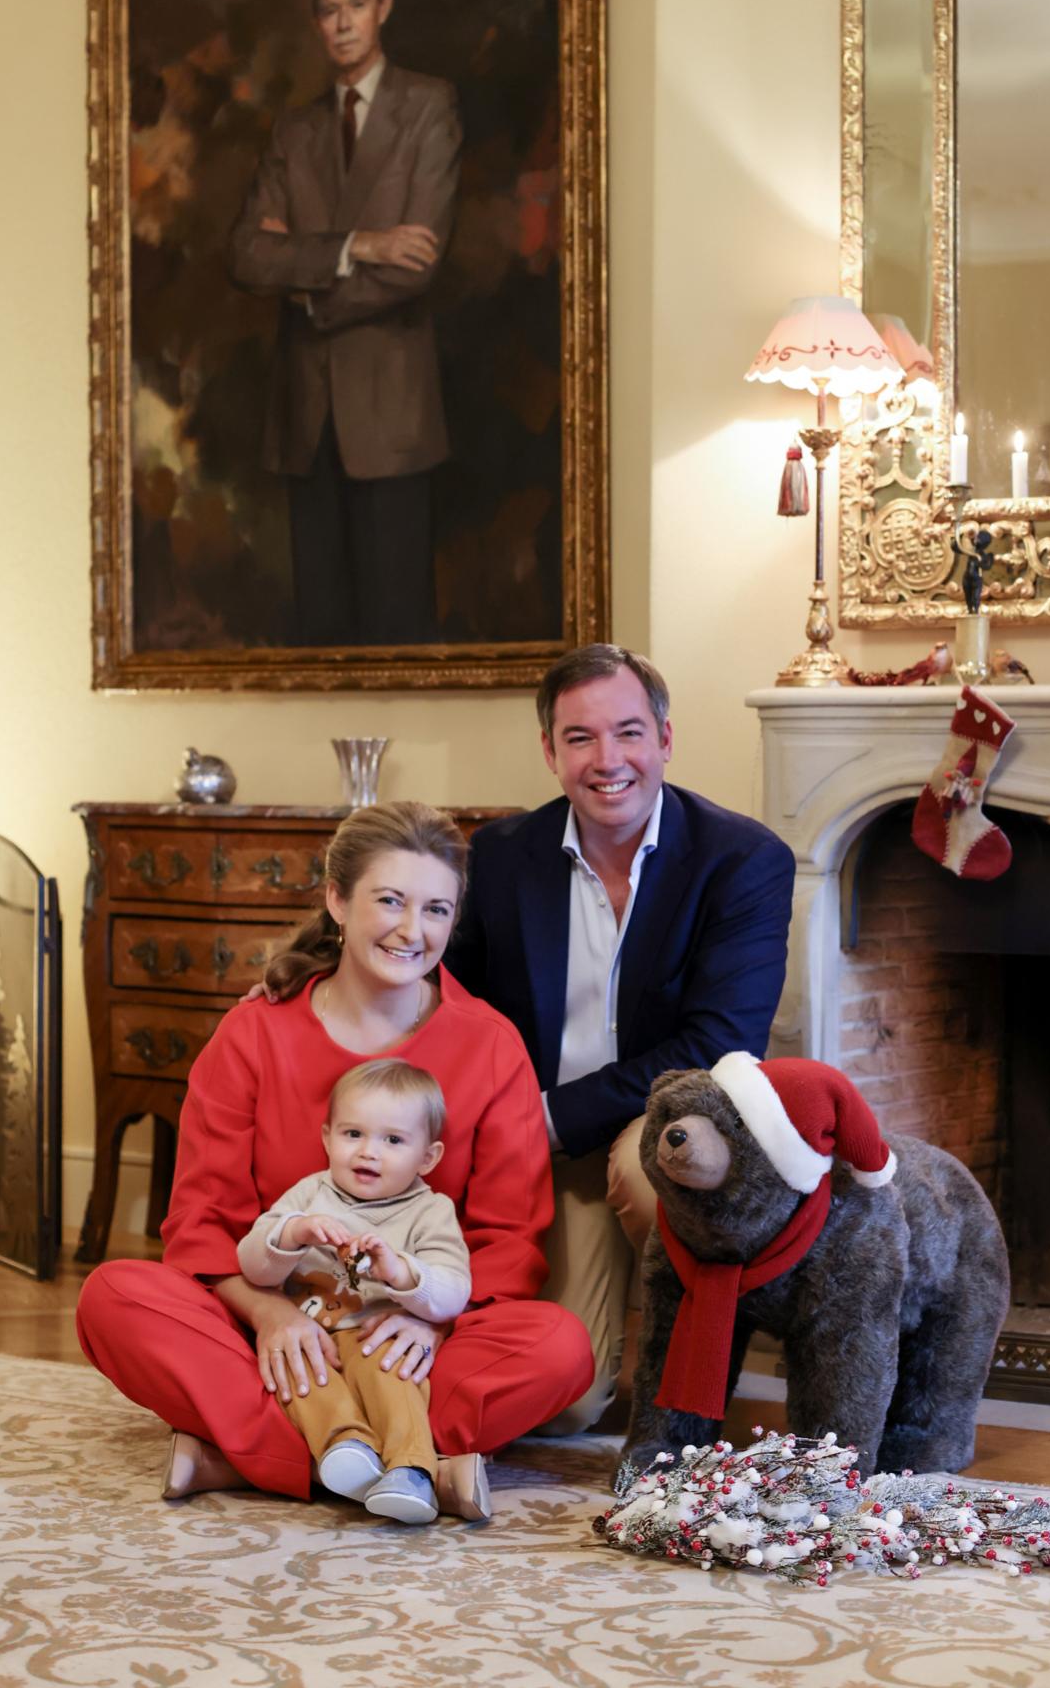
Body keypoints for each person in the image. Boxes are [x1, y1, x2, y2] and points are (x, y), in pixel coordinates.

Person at [76, 803, 592, 1521]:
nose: (413, 930)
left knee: (561, 1346)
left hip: (407, 1334)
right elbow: (201, 1223)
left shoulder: (491, 1044)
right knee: (114, 1299)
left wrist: (430, 1323)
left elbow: (508, 1240)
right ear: (336, 900)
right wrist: (269, 1316)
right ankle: (410, 1460)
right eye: (389, 900)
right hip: (275, 1317)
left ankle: (246, 1456)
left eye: (437, 908)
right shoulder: (253, 1033)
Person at [443, 644, 796, 1432]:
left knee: (656, 1165)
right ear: (550, 750)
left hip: (659, 1127)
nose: (608, 760)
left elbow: (718, 1041)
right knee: (565, 1408)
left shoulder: (741, 860)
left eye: (629, 732)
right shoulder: (502, 855)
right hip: (543, 1143)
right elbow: (443, 990)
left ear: (666, 739)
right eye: (580, 738)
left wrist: (543, 1116)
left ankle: (692, 1388)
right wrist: (310, 972)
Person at [227, 0, 462, 647]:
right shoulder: (293, 132)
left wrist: (304, 287)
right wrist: (358, 243)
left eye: (356, 5)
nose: (343, 24)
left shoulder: (428, 106)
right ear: (315, 23)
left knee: (397, 628)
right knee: (321, 636)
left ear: (383, 6)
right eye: (329, 10)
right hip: (306, 418)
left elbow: (418, 264)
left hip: (391, 417)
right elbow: (244, 253)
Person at [236, 1059, 472, 1525]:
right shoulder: (308, 1194)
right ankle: (348, 1449)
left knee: (394, 1376)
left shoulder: (431, 1211)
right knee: (302, 1379)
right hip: (309, 1328)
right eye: (352, 1135)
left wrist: (401, 1272)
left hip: (378, 1332)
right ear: (326, 1137)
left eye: (393, 1140)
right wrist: (293, 1234)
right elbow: (250, 1264)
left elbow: (453, 1290)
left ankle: (412, 1470)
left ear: (428, 1157)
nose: (368, 1152)